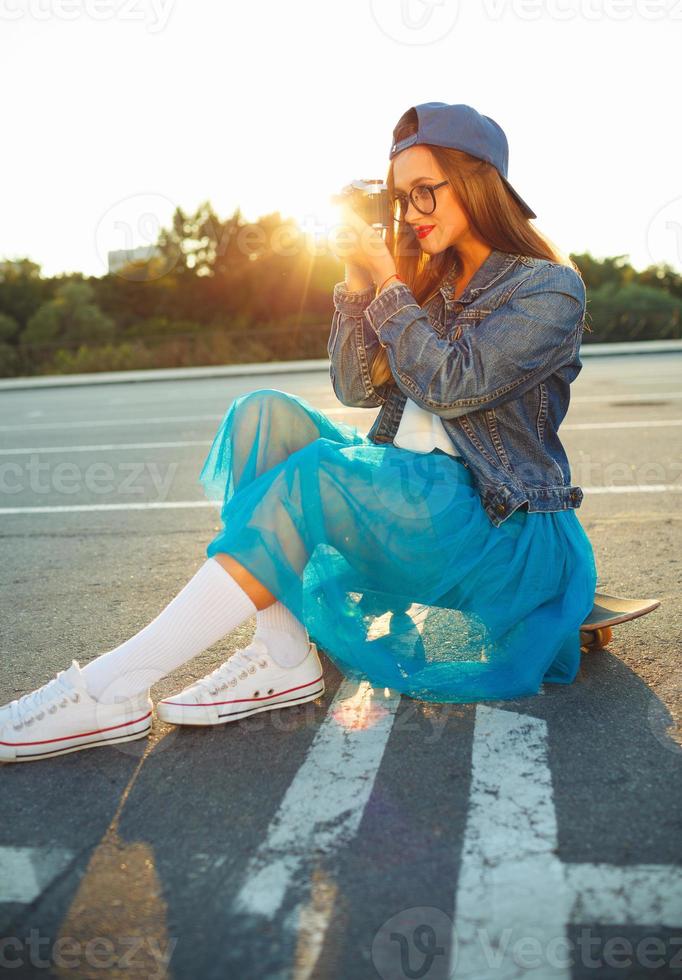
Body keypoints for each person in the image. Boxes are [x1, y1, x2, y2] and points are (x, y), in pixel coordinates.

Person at [0, 102, 598, 763]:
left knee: (315, 474)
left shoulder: (548, 288)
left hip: (500, 533)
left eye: (427, 188)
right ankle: (284, 657)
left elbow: (452, 384)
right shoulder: (427, 281)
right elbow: (356, 388)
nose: (413, 209)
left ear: (480, 182)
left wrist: (393, 289)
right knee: (264, 412)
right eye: (403, 196)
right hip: (414, 513)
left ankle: (110, 687)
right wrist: (355, 285)